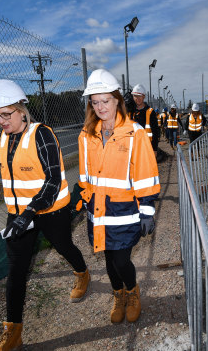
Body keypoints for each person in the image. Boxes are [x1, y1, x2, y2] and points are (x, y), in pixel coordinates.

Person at [0, 79, 90, 351]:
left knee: (64, 246)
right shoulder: (5, 136)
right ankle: (13, 332)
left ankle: (82, 272)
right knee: (16, 270)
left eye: (6, 114)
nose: (1, 121)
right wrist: (21, 214)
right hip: (18, 214)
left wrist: (30, 211)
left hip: (49, 209)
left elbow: (53, 179)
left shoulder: (41, 134)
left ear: (22, 110)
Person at [78, 69, 160, 324]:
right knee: (108, 258)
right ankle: (118, 295)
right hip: (98, 211)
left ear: (117, 100)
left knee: (122, 259)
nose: (101, 107)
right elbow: (85, 174)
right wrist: (83, 199)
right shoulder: (86, 135)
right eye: (95, 102)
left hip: (125, 211)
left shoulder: (135, 133)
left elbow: (145, 173)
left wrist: (147, 209)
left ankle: (132, 291)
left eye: (105, 100)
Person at [129, 84, 160, 153]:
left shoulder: (150, 112)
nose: (137, 98)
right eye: (135, 96)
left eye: (140, 96)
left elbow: (155, 132)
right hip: (133, 148)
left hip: (147, 148)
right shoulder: (131, 112)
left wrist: (154, 149)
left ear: (144, 97)